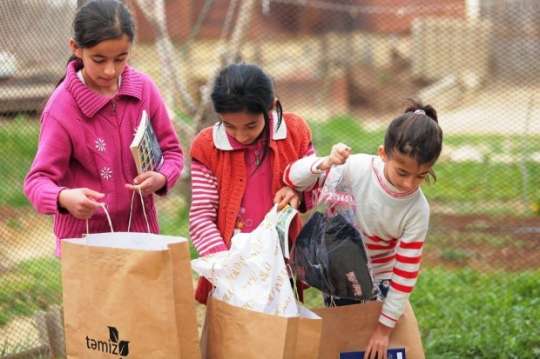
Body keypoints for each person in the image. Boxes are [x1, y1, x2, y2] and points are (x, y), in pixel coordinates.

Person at [24, 0, 183, 255]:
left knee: (141, 297)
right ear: (76, 48)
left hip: (140, 237)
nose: (110, 70)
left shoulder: (144, 89)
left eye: (120, 59)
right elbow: (37, 182)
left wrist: (162, 176)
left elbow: (173, 152)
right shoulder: (61, 109)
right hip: (85, 244)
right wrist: (64, 197)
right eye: (98, 59)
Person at [286, 102, 443, 359]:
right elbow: (293, 177)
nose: (408, 184)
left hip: (382, 279)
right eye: (402, 172)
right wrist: (325, 162)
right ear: (383, 153)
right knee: (346, 347)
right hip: (338, 277)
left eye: (421, 176)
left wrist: (384, 329)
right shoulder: (356, 168)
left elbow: (404, 274)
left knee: (382, 347)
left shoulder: (417, 209)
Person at [189, 63, 315, 304]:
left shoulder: (294, 133)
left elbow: (317, 184)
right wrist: (227, 266)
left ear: (271, 107)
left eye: (251, 126)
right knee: (234, 333)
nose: (241, 135)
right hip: (230, 262)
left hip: (280, 259)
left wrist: (296, 191)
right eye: (229, 126)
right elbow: (201, 217)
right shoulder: (206, 147)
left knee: (280, 327)